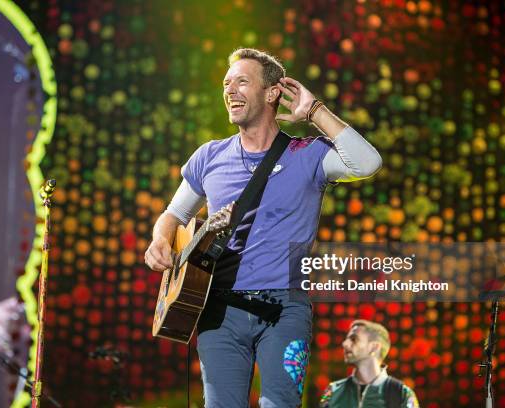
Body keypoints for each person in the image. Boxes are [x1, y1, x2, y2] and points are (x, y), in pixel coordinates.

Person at [144, 48, 382, 407]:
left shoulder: (308, 154)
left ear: (272, 92)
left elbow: (367, 163)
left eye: (242, 81)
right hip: (219, 311)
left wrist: (315, 112)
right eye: (227, 83)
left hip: (284, 310)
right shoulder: (209, 156)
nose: (230, 90)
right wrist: (160, 239)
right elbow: (173, 215)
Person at [320, 320, 419, 408]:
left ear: (374, 347)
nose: (345, 344)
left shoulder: (402, 393)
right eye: (347, 339)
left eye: (354, 339)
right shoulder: (333, 391)